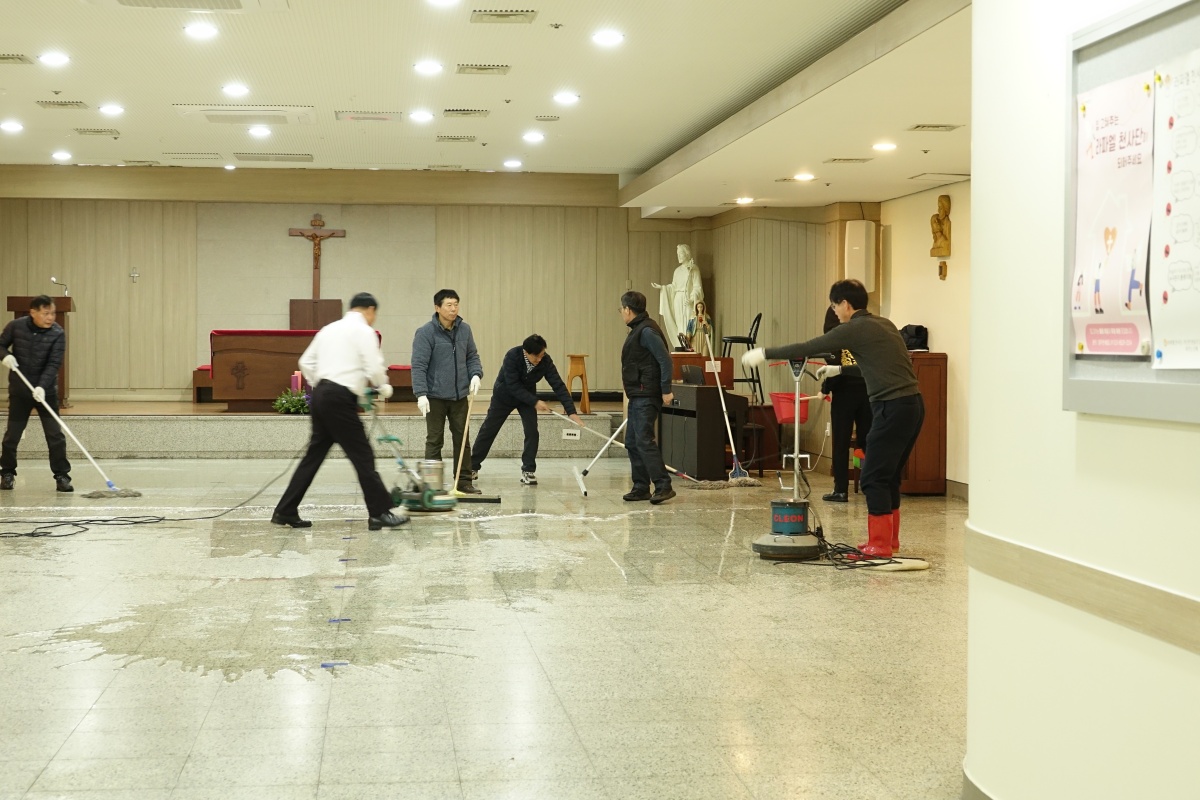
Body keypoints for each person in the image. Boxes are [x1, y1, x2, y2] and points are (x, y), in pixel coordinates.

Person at [743, 279, 923, 558]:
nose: (835, 311)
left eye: (835, 305)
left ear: (846, 304)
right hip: (913, 406)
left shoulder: (853, 328)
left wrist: (764, 353)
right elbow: (878, 367)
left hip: (891, 407)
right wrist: (840, 370)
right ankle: (890, 541)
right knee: (888, 476)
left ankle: (879, 546)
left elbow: (808, 346)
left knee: (873, 477)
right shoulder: (884, 324)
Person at [272, 293, 407, 530]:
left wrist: (322, 384)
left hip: (321, 396)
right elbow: (373, 366)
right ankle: (379, 513)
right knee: (362, 455)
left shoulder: (328, 330)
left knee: (313, 457)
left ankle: (285, 510)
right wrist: (383, 386)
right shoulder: (364, 331)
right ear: (370, 310)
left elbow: (305, 362)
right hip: (339, 399)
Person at [471, 334, 583, 486]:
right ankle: (472, 467)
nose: (539, 359)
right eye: (536, 356)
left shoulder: (545, 360)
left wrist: (571, 412)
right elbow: (513, 385)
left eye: (542, 355)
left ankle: (528, 470)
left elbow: (558, 384)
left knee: (532, 431)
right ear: (526, 352)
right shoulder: (512, 356)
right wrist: (535, 401)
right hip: (504, 396)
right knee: (489, 429)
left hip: (527, 398)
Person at [412, 289, 483, 494]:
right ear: (437, 308)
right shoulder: (426, 332)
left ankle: (463, 481)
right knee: (435, 440)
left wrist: (476, 374)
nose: (453, 309)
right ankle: (432, 484)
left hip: (459, 395)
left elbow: (472, 356)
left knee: (463, 439)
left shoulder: (465, 330)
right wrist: (421, 393)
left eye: (456, 304)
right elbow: (419, 365)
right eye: (449, 305)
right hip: (435, 396)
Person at [0, 295, 72, 492]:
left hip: (45, 392)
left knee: (55, 435)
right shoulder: (16, 326)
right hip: (20, 390)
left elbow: (54, 363)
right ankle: (7, 472)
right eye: (46, 313)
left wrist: (42, 386)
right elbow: (1, 345)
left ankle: (62, 475)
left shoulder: (58, 333)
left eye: (53, 313)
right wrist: (5, 357)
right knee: (12, 435)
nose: (50, 318)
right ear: (33, 312)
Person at [619, 291, 676, 505]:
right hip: (638, 394)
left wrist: (666, 389)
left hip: (647, 394)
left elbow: (665, 360)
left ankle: (663, 485)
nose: (621, 313)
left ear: (628, 309)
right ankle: (641, 487)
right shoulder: (638, 329)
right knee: (632, 441)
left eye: (621, 309)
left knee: (643, 439)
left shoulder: (647, 331)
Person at [818, 306, 871, 503]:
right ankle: (870, 485)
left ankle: (841, 490)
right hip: (868, 391)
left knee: (841, 443)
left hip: (844, 393)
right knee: (867, 441)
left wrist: (825, 389)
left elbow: (835, 366)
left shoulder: (837, 332)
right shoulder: (863, 329)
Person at [651, 244, 704, 348]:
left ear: (687, 254)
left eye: (681, 253)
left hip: (688, 301)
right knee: (680, 325)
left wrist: (692, 298)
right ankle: (682, 346)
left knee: (689, 323)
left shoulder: (694, 269)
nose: (678, 256)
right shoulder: (677, 271)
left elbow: (697, 287)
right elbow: (674, 287)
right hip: (678, 300)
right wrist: (662, 288)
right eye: (677, 254)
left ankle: (690, 347)